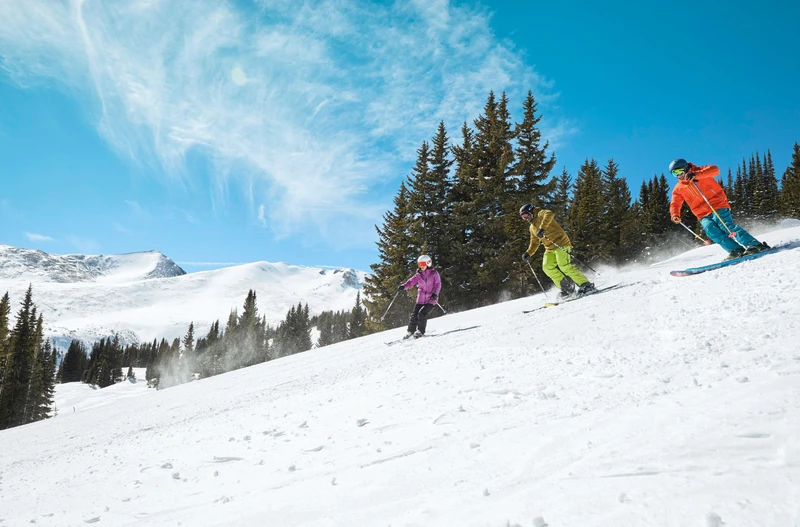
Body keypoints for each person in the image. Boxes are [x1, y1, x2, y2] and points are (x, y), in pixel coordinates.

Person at [668, 159, 769, 260]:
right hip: (702, 214)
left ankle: (754, 245)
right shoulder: (679, 188)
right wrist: (674, 214)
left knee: (726, 226)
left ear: (686, 168)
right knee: (711, 231)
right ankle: (735, 250)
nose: (678, 175)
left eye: (679, 171)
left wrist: (697, 175)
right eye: (674, 174)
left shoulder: (700, 171)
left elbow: (715, 170)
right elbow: (675, 203)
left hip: (717, 205)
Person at [519, 203, 595, 299]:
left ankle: (586, 285)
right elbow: (534, 243)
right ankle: (567, 288)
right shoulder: (532, 227)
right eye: (523, 217)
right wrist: (528, 253)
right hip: (549, 248)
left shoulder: (540, 213)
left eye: (526, 215)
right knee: (547, 267)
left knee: (564, 265)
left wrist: (542, 228)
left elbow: (550, 213)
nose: (525, 218)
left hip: (561, 243)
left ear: (531, 211)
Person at [397, 254, 441, 339]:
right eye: (419, 264)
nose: (421, 266)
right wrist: (403, 286)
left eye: (423, 264)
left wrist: (435, 294)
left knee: (422, 313)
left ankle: (420, 331)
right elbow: (410, 282)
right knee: (414, 315)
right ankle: (410, 331)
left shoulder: (434, 273)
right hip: (420, 299)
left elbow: (438, 285)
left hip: (431, 299)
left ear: (428, 263)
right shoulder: (418, 274)